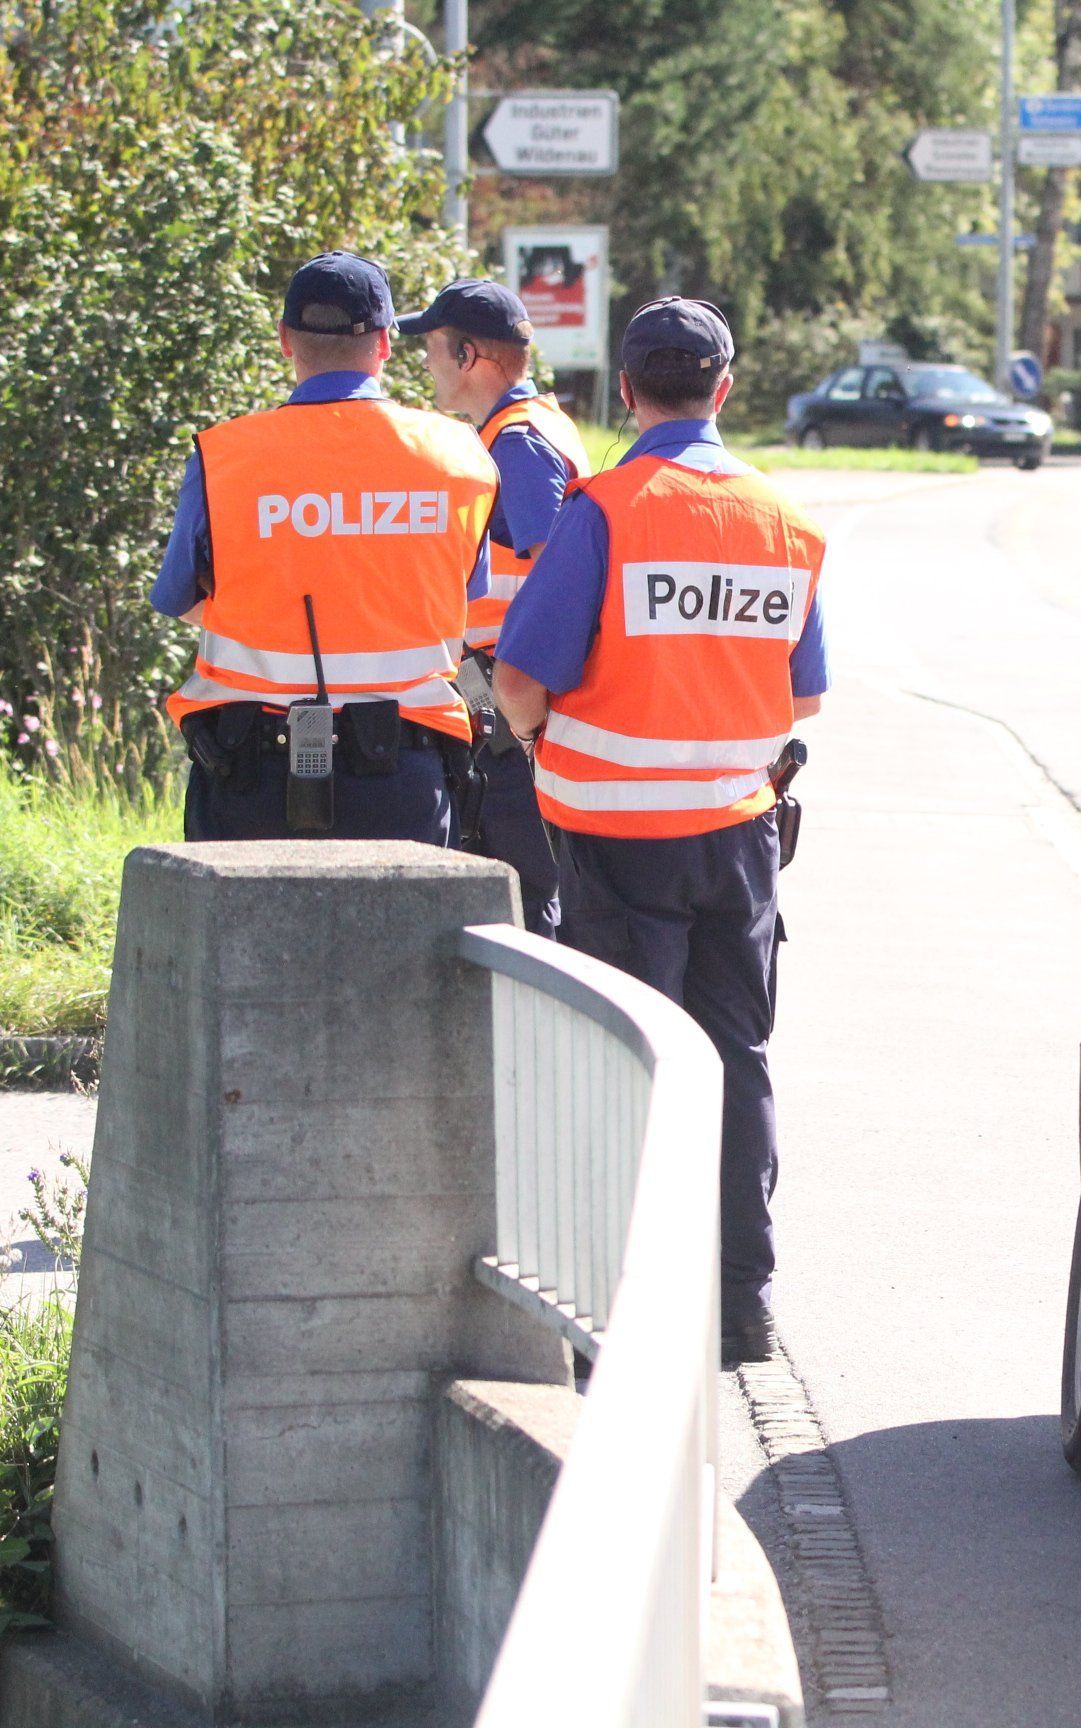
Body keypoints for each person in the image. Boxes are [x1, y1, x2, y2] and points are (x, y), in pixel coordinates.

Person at [492, 298, 828, 1366]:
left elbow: (520, 683)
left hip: (612, 841)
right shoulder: (788, 522)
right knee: (737, 1060)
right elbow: (804, 700)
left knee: (626, 1071)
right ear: (725, 389)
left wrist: (544, 733)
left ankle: (622, 1308)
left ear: (626, 392)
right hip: (739, 842)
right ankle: (740, 1304)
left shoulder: (607, 508)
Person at [151, 251, 497, 843]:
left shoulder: (224, 457)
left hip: (249, 774)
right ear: (386, 342)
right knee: (402, 939)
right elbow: (464, 596)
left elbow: (178, 597)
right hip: (404, 773)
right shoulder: (460, 454)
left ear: (286, 339)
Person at [398, 277, 592, 935]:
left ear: (468, 355)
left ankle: (534, 1033)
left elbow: (559, 580)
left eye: (431, 347)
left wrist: (525, 707)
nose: (424, 363)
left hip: (513, 711)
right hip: (511, 704)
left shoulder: (516, 444)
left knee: (526, 895)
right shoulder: (527, 427)